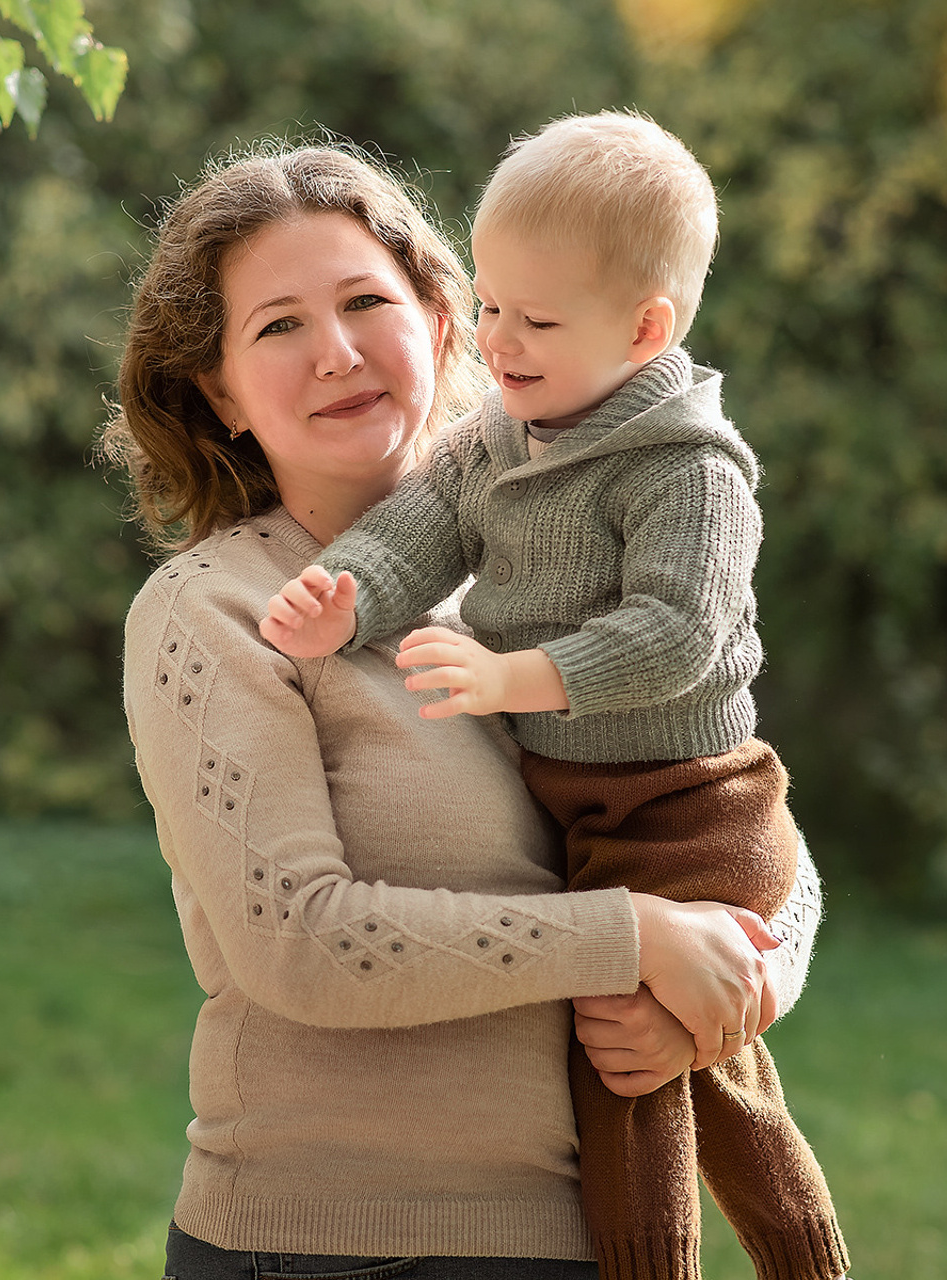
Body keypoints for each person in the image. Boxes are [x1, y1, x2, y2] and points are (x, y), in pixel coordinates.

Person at [109, 141, 826, 1280]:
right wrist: (632, 937)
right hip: (331, 1245)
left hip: (576, 1236)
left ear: (442, 323)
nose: (335, 352)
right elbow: (302, 942)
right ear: (221, 394)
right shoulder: (216, 613)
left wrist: (735, 986)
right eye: (277, 326)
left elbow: (734, 819)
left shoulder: (534, 582)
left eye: (363, 301)